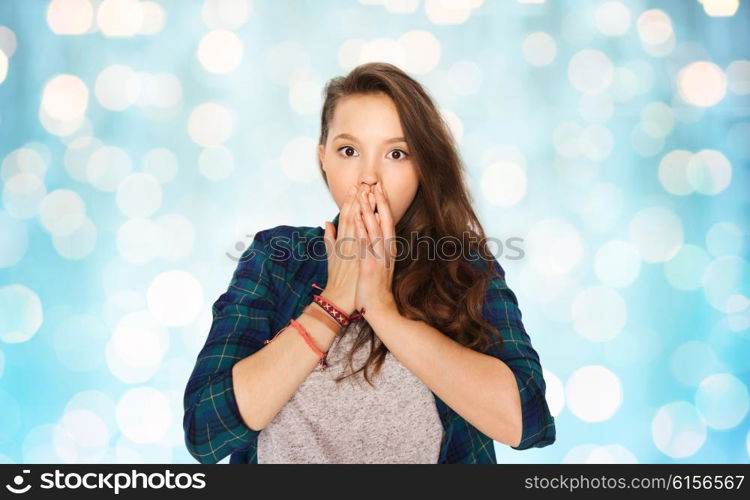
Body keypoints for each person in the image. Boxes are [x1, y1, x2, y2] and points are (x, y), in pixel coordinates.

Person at [183, 62, 556, 464]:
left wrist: (383, 310)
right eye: (349, 151)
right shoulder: (277, 256)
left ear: (422, 166)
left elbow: (528, 422)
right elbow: (205, 433)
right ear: (323, 158)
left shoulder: (465, 266)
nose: (369, 177)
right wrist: (332, 304)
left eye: (396, 153)